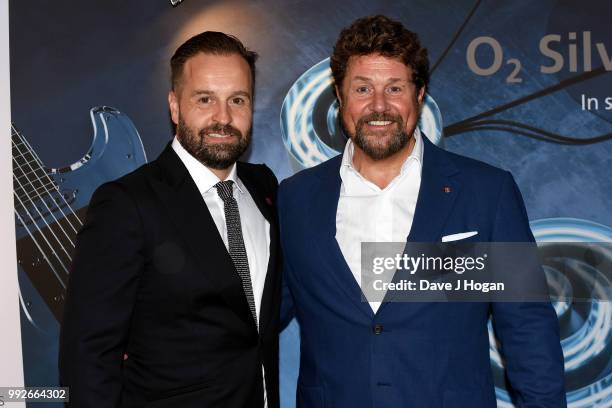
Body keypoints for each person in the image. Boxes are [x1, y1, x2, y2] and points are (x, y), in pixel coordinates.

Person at [278, 15, 566, 407]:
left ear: (419, 95)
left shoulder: (484, 192)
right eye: (363, 88)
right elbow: (258, 318)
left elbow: (528, 330)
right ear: (340, 96)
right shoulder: (295, 200)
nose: (379, 106)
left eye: (394, 88)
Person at [60, 31, 281, 408]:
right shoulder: (126, 204)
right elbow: (87, 356)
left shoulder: (265, 187)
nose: (223, 118)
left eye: (237, 100)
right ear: (175, 107)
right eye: (205, 99)